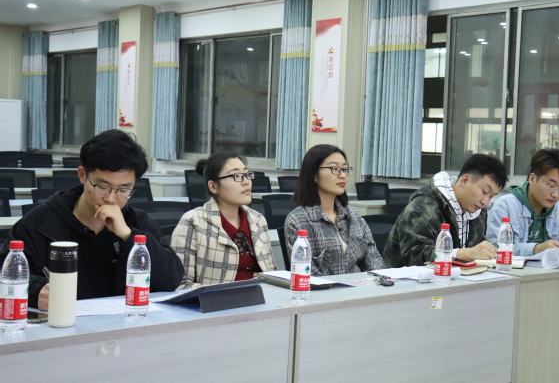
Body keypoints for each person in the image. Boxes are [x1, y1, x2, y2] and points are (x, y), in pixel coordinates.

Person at [8, 130, 184, 311]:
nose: (111, 199)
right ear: (82, 175)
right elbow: (6, 276)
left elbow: (172, 279)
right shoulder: (38, 223)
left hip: (126, 321)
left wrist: (128, 235)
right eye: (102, 187)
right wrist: (36, 292)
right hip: (61, 320)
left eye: (123, 190)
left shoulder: (138, 222)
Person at [171, 152, 276, 288]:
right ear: (213, 186)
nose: (246, 181)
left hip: (261, 297)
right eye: (236, 176)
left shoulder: (258, 220)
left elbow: (272, 273)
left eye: (247, 174)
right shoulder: (193, 221)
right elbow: (181, 283)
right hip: (215, 299)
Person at [384, 154, 508, 268]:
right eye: (484, 192)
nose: (485, 201)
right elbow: (415, 257)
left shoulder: (478, 212)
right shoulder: (424, 206)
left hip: (459, 279)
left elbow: (477, 253)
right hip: (408, 281)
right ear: (464, 180)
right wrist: (466, 254)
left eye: (491, 196)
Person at [284, 144, 384, 276]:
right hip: (323, 288)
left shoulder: (353, 215)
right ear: (314, 175)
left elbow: (374, 260)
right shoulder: (298, 221)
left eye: (345, 169)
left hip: (361, 287)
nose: (343, 175)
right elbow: (306, 274)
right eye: (335, 169)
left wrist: (377, 282)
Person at [487, 149, 559, 256]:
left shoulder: (558, 208)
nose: (556, 195)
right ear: (532, 179)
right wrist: (535, 249)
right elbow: (494, 249)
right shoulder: (505, 206)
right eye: (551, 186)